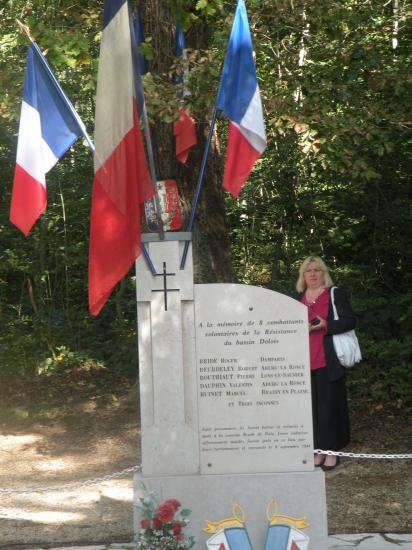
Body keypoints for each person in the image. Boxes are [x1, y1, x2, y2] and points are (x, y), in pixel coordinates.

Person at [296, 256, 356, 470]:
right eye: (308, 270)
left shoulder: (334, 294)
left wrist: (325, 325)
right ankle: (317, 450)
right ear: (303, 275)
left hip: (327, 360)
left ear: (324, 273)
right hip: (303, 363)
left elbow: (350, 320)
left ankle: (332, 451)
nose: (313, 274)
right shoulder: (298, 298)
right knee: (310, 409)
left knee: (329, 408)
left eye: (317, 270)